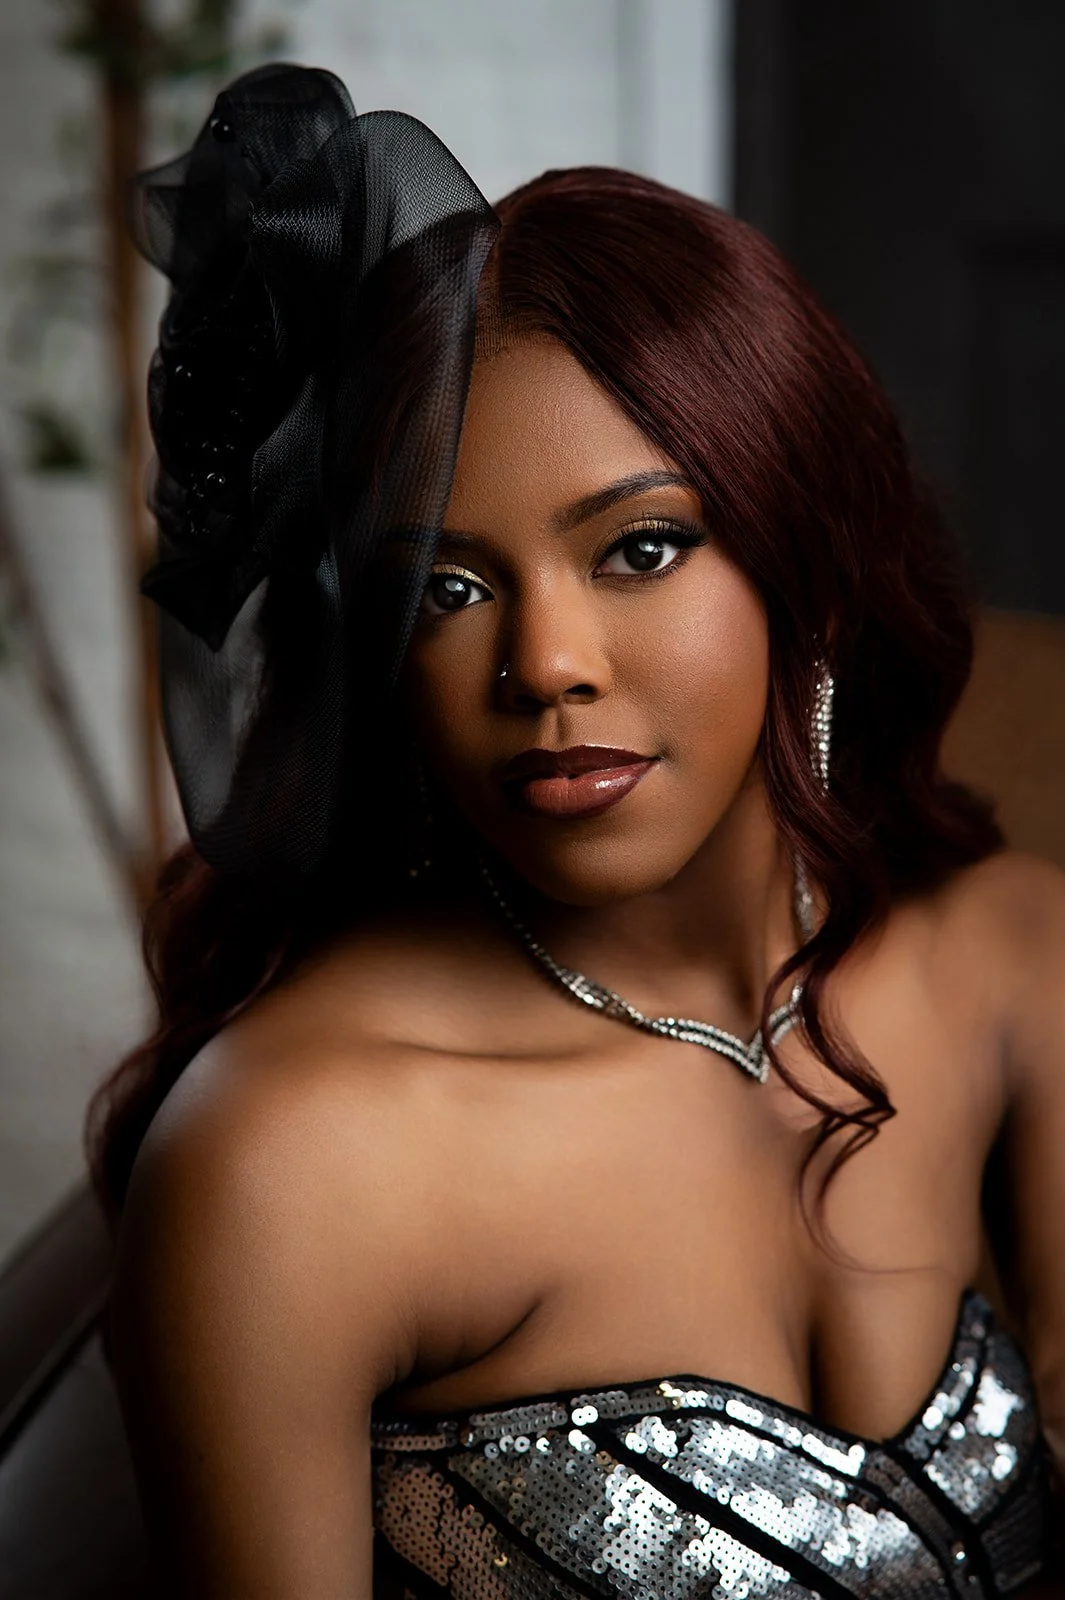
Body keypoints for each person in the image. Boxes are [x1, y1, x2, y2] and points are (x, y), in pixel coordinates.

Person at [86, 64, 1063, 1599]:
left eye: (642, 547)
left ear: (803, 563)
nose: (544, 664)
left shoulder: (1006, 957)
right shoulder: (293, 1160)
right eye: (449, 589)